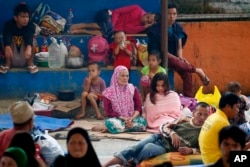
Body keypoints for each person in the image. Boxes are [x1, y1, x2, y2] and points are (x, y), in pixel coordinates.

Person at [103, 102, 210, 167]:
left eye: (205, 115)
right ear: (193, 113)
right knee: (135, 147)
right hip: (158, 137)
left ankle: (131, 163)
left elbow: (205, 150)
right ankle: (106, 165)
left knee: (149, 148)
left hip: (166, 147)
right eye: (199, 114)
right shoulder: (184, 120)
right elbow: (163, 126)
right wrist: (172, 133)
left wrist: (191, 150)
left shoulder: (205, 132)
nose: (202, 118)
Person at [146, 3, 209, 97]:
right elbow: (158, 50)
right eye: (169, 14)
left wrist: (180, 57)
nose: (172, 16)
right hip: (159, 57)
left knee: (187, 73)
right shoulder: (156, 28)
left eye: (174, 14)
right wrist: (176, 59)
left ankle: (188, 99)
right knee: (169, 57)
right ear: (164, 14)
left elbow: (179, 47)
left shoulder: (177, 27)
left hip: (174, 57)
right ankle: (197, 70)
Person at [92, 65, 147, 134]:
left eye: (127, 76)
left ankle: (114, 128)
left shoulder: (133, 89)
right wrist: (124, 118)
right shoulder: (108, 93)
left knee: (143, 122)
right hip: (118, 119)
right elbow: (109, 112)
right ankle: (126, 128)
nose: (125, 78)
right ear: (116, 76)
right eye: (122, 76)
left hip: (132, 119)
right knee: (110, 123)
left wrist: (131, 118)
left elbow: (138, 107)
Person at [199, 92, 241, 165]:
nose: (238, 110)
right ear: (228, 106)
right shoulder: (223, 123)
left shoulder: (213, 117)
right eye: (236, 107)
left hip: (207, 159)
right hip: (217, 161)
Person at [70, 5, 160, 38]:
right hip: (107, 14)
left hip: (110, 29)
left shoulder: (140, 27)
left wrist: (144, 27)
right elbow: (117, 12)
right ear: (148, 13)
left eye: (148, 22)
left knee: (106, 33)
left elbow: (127, 29)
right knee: (108, 28)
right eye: (148, 17)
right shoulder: (137, 8)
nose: (145, 19)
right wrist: (112, 24)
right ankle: (80, 26)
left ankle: (82, 30)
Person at [0, 3, 38, 74]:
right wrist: (7, 46)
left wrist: (29, 47)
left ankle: (30, 63)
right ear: (15, 18)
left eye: (27, 17)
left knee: (33, 41)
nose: (26, 19)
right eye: (23, 17)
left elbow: (29, 35)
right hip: (12, 55)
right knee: (5, 41)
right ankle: (8, 63)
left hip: (25, 56)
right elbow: (7, 35)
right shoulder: (9, 24)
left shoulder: (30, 25)